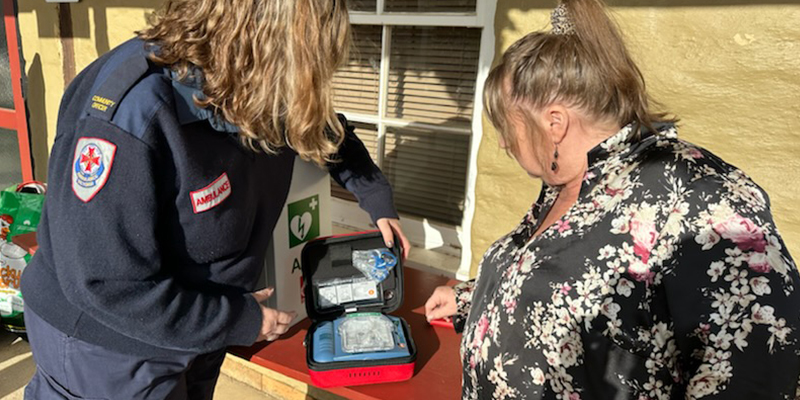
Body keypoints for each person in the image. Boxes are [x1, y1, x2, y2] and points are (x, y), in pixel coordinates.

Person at [21, 1, 410, 399]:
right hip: (109, 349)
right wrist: (238, 321)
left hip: (198, 324)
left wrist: (376, 198)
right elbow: (106, 283)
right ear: (262, 47)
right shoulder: (132, 116)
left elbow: (320, 126)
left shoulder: (263, 84)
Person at [425, 0, 800, 398]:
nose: (500, 141)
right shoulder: (573, 182)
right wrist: (472, 296)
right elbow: (574, 287)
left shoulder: (697, 192)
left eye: (506, 126)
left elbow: (760, 363)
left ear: (554, 123)